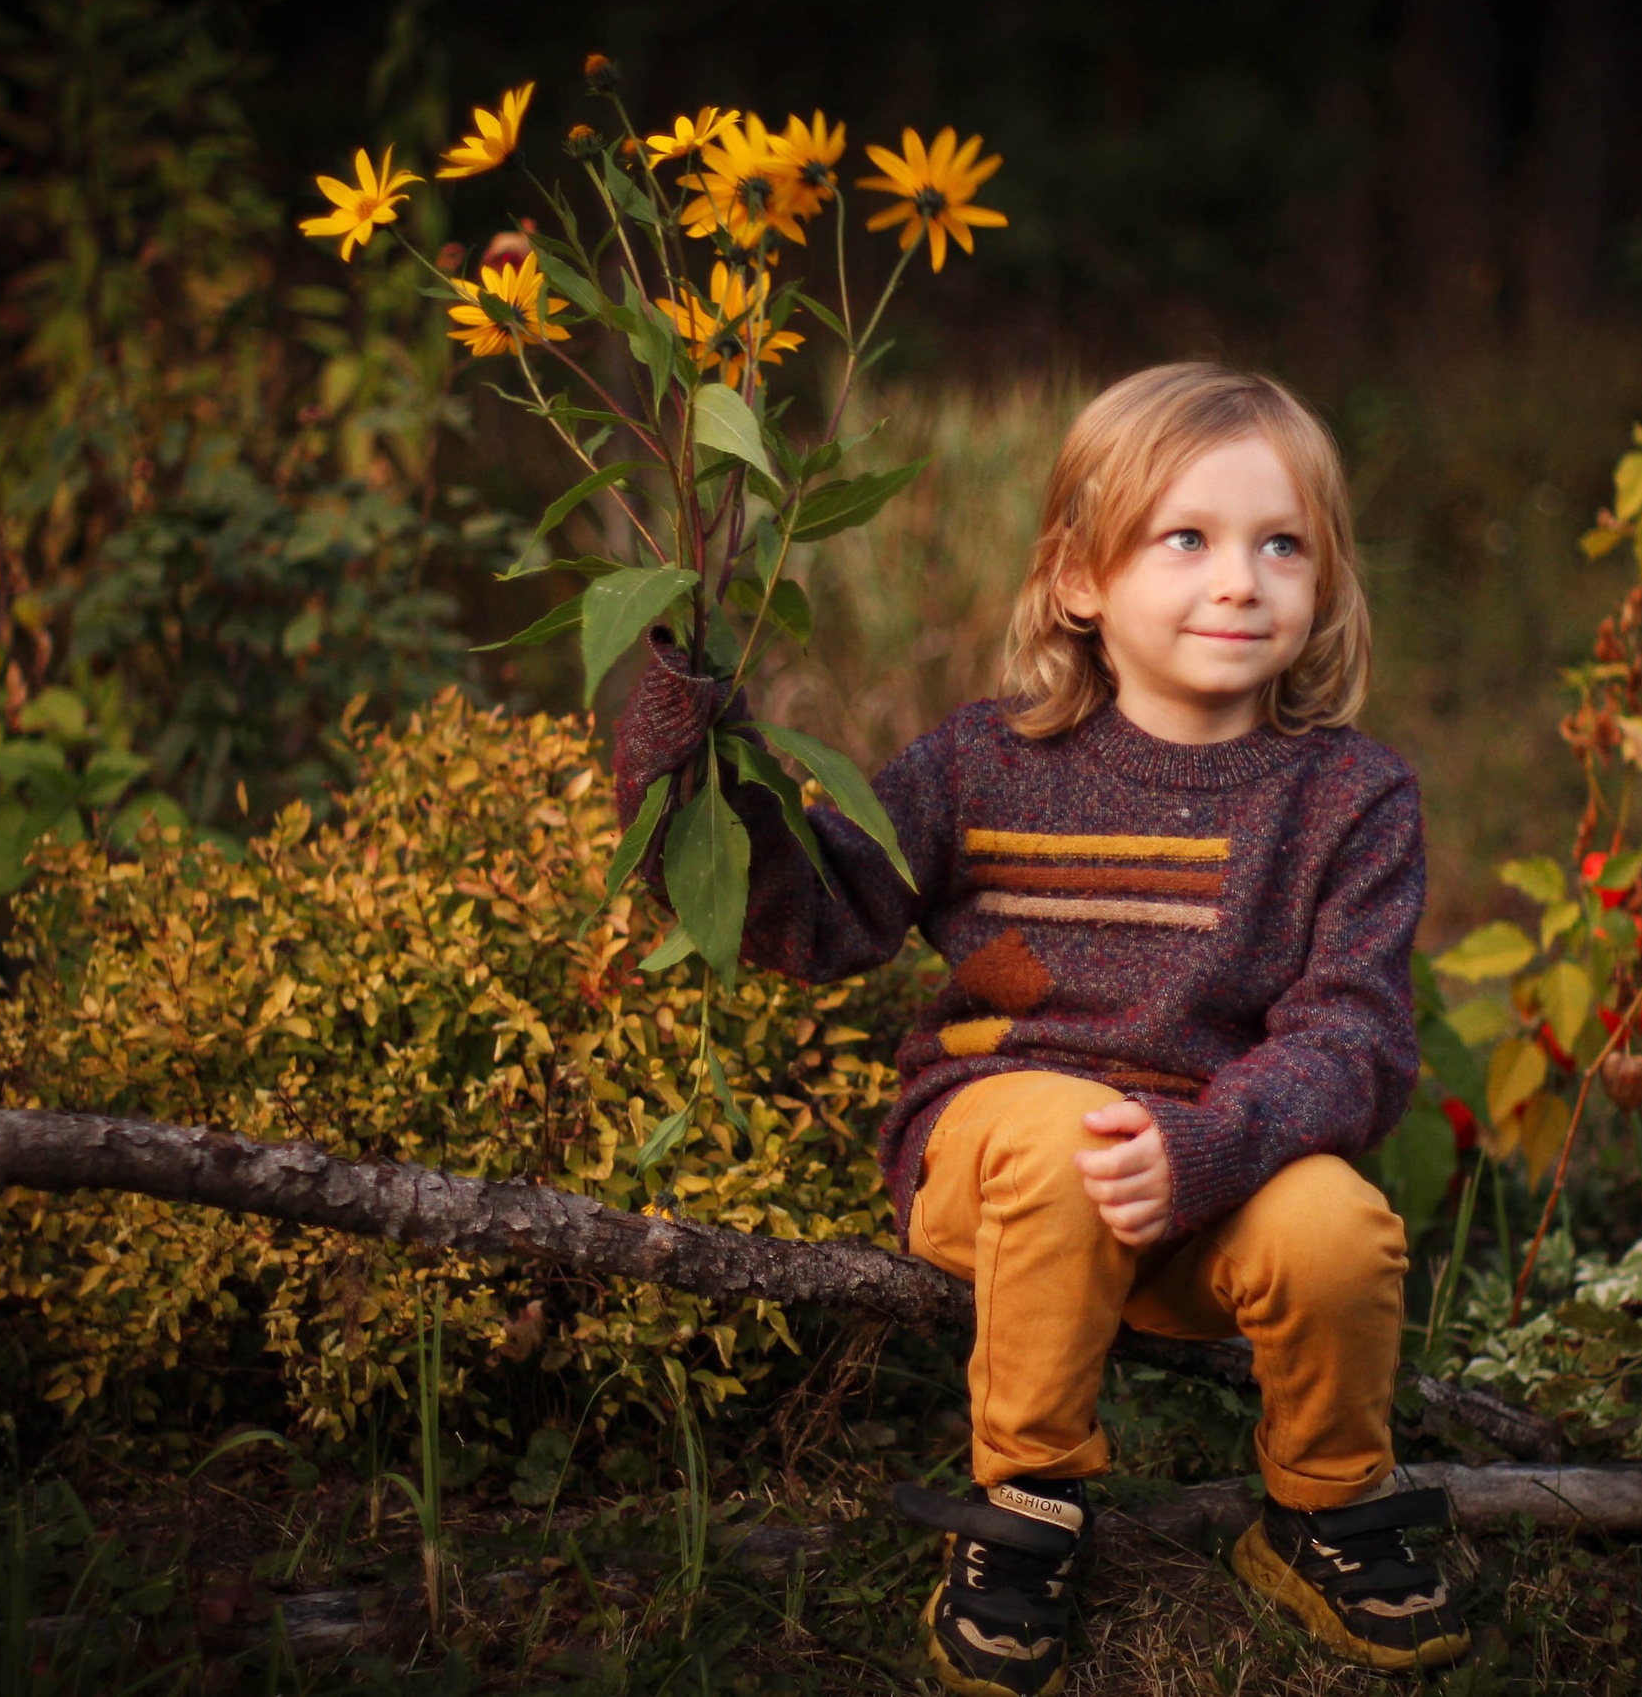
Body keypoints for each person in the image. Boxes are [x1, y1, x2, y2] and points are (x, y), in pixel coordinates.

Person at [611, 362, 1465, 1693]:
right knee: (1065, 1130)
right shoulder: (982, 762)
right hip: (997, 1149)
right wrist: (694, 774)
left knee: (1337, 1228)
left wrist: (1206, 1145)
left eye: (1282, 543)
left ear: (1328, 580)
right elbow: (821, 917)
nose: (1241, 580)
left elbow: (1355, 1039)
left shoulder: (1348, 795)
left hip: (1205, 1173)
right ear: (1079, 577)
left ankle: (1323, 1506)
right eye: (1187, 538)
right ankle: (1027, 1502)